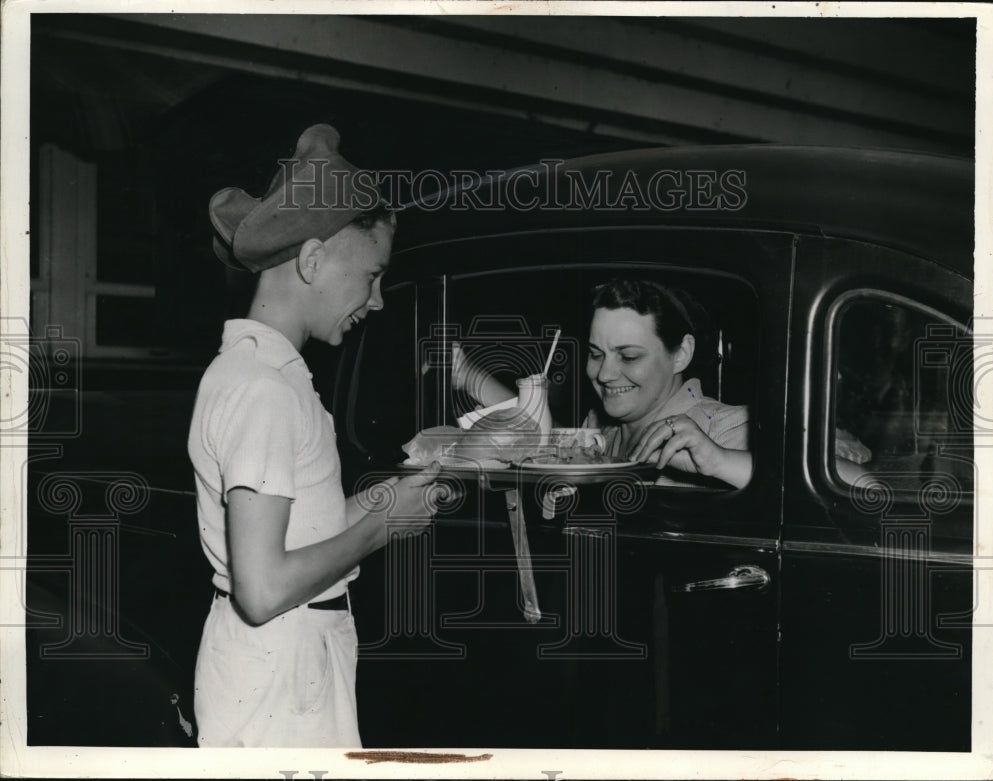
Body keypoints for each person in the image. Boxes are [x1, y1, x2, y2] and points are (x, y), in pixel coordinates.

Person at [187, 124, 444, 748]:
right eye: (372, 276)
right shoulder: (263, 389)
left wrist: (399, 494)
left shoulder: (271, 376)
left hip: (289, 658)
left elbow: (304, 526)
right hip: (279, 668)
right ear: (311, 260)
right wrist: (381, 528)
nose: (377, 300)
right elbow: (264, 586)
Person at [453, 278, 752, 488]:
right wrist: (470, 377)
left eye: (629, 356)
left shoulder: (732, 429)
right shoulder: (600, 428)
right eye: (596, 354)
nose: (605, 374)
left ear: (681, 354)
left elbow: (790, 495)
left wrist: (720, 461)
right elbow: (544, 435)